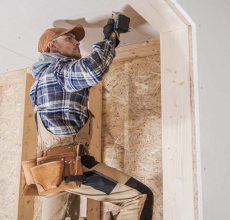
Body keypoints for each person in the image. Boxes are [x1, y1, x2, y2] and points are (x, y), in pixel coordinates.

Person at [29, 21, 153, 220]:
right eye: (69, 39)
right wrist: (110, 39)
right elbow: (92, 70)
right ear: (52, 46)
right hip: (68, 163)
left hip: (51, 170)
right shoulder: (57, 71)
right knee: (138, 196)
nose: (77, 42)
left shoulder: (42, 79)